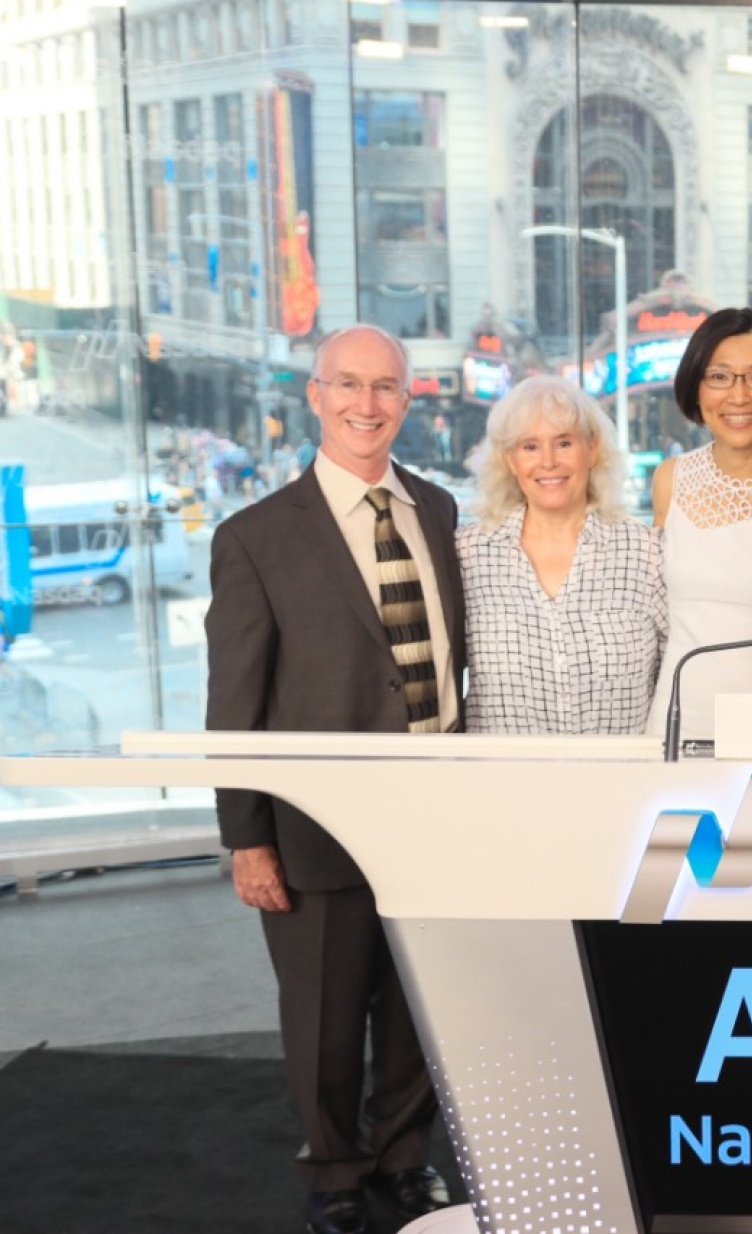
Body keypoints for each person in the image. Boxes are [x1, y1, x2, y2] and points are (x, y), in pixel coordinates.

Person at [206, 324, 462, 1234]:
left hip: (435, 815)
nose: (367, 403)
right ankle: (334, 1171)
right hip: (316, 825)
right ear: (314, 396)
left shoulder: (438, 510)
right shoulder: (255, 537)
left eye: (385, 386)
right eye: (347, 384)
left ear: (408, 400)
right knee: (323, 1017)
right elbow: (233, 702)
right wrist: (246, 836)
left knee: (416, 1008)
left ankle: (402, 1156)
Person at [458, 374, 665, 735]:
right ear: (510, 460)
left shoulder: (647, 552)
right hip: (498, 771)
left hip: (622, 770)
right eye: (530, 446)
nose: (549, 461)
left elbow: (678, 677)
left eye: (564, 443)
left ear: (593, 450)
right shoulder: (467, 556)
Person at [646, 307, 752, 743]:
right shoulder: (670, 478)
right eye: (719, 377)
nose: (739, 396)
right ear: (696, 388)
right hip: (678, 722)